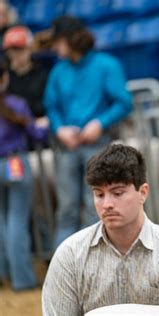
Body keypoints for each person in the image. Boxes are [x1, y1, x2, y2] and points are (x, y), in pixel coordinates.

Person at [42, 144, 159, 315]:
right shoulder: (70, 254)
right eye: (99, 194)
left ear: (143, 192)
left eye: (118, 193)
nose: (107, 205)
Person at [43, 16, 132, 248]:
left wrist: (99, 123)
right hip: (67, 146)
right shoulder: (58, 71)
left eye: (58, 41)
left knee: (98, 206)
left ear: (71, 40)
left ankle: (95, 262)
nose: (54, 47)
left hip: (98, 144)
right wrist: (59, 128)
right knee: (66, 208)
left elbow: (123, 102)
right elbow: (51, 106)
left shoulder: (106, 65)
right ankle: (63, 267)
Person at [0, 58, 48, 291]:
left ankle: (4, 273)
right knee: (17, 220)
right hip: (14, 162)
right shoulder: (15, 104)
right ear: (5, 78)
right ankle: (23, 279)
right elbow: (36, 134)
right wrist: (45, 126)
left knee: (2, 221)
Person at [3, 25, 49, 124]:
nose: (16, 54)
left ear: (30, 48)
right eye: (12, 50)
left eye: (20, 49)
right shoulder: (3, 75)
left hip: (36, 123)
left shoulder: (42, 75)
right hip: (8, 124)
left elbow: (47, 105)